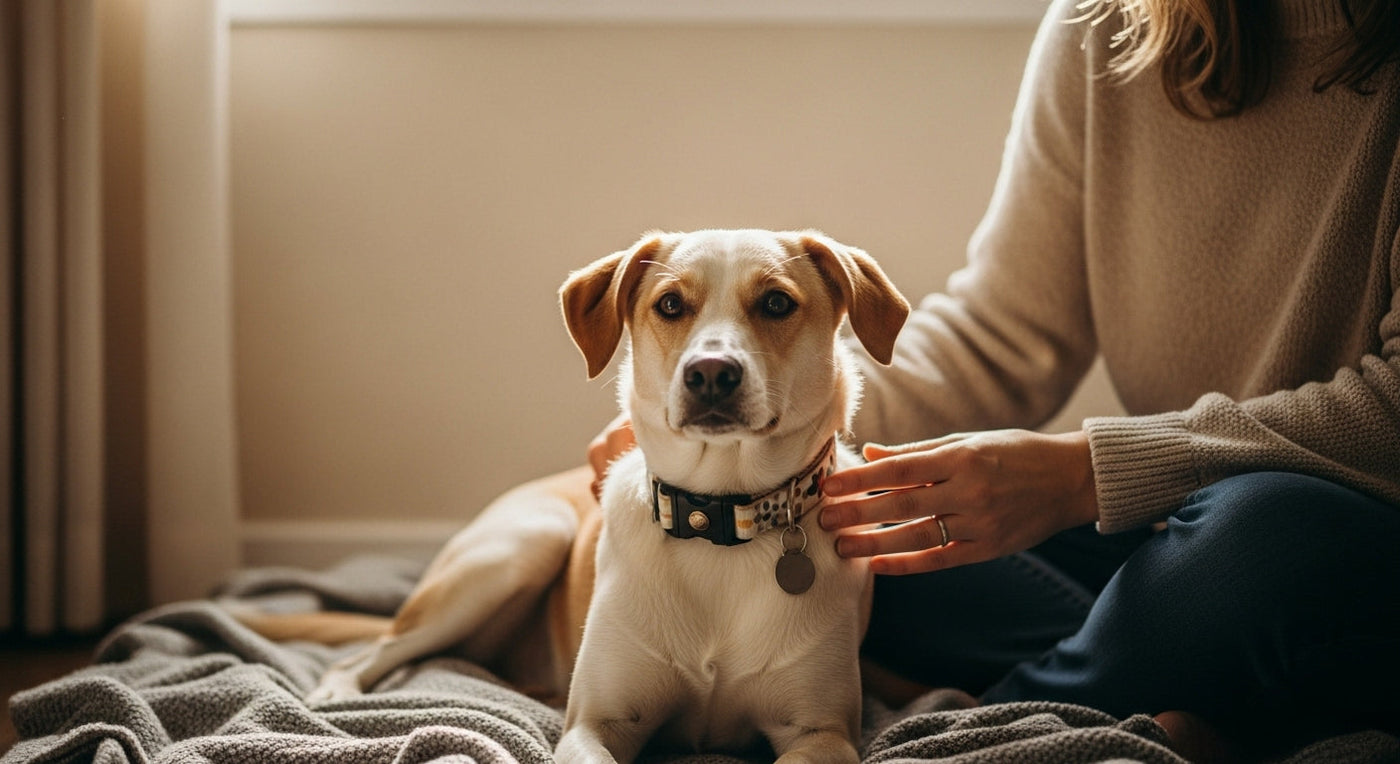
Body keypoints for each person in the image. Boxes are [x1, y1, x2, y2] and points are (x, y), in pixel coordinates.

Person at [591, 0, 1400, 757]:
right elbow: (1003, 335)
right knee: (870, 517)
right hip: (1168, 523)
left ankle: (1002, 730)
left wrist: (1084, 472)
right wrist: (697, 441)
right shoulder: (1110, 22)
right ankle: (1181, 693)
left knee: (1258, 539)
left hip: (1323, 531)